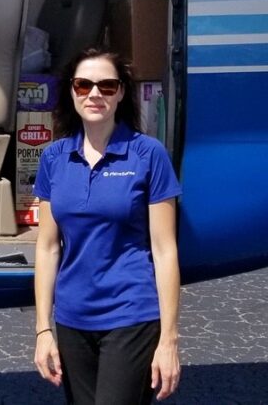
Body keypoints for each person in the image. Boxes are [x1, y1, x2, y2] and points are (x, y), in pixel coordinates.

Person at [33, 47, 182, 404]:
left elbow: (164, 250)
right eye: (84, 85)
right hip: (72, 318)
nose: (95, 94)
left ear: (121, 93)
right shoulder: (53, 158)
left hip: (130, 313)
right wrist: (42, 329)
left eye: (107, 86)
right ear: (71, 92)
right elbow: (48, 247)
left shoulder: (148, 154)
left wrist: (169, 338)